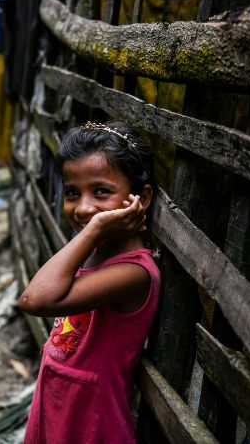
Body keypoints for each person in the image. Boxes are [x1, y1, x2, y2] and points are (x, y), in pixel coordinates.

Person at [18, 121, 161, 444]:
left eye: (101, 192)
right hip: (57, 410)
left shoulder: (133, 272)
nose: (83, 208)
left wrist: (94, 229)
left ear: (142, 197)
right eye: (72, 193)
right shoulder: (91, 253)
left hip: (91, 425)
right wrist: (93, 235)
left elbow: (34, 300)